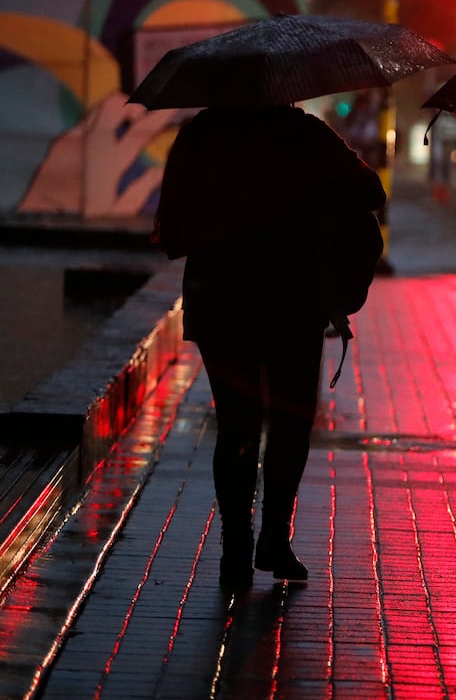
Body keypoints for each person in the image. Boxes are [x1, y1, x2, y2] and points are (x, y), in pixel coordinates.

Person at [153, 105, 386, 592]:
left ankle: (235, 546)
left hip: (218, 301)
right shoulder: (305, 132)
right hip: (291, 300)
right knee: (290, 421)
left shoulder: (201, 132)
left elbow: (170, 228)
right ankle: (274, 539)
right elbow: (370, 192)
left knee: (236, 424)